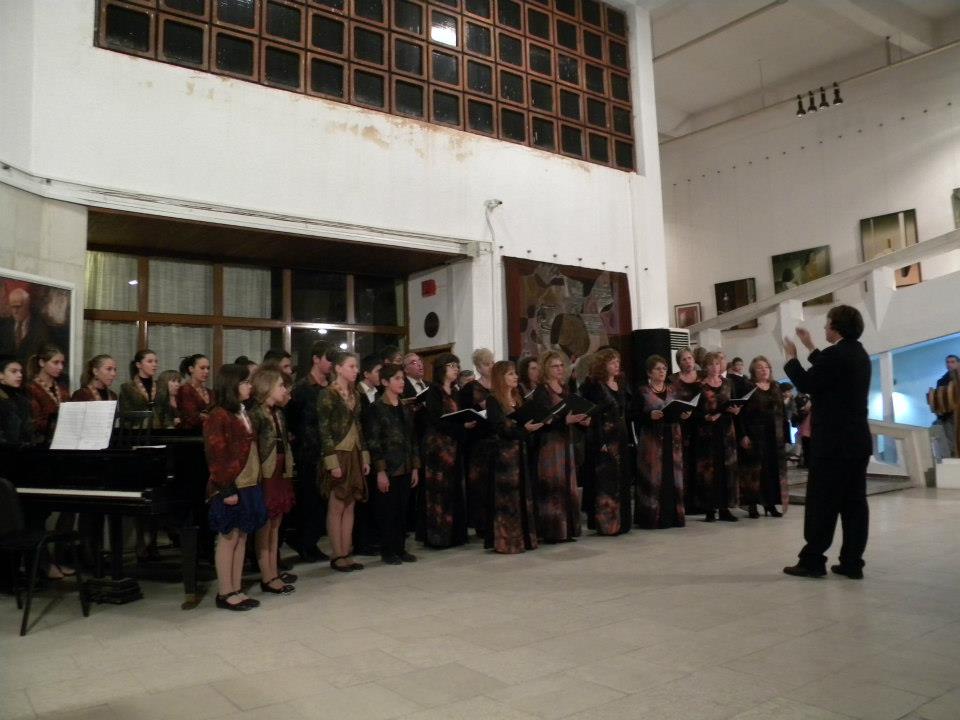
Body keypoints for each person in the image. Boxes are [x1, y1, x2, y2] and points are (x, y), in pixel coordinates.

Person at [782, 305, 872, 579]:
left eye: (827, 323)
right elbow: (829, 371)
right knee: (854, 504)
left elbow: (808, 382)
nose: (824, 328)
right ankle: (852, 562)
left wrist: (792, 357)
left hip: (833, 443)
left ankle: (812, 560)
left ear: (835, 326)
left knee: (822, 503)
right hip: (856, 442)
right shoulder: (859, 353)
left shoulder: (835, 355)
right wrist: (810, 345)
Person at [204, 363, 266, 610]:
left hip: (249, 481)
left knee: (242, 536)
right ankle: (225, 591)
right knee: (228, 537)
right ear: (232, 385)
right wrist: (226, 488)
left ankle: (236, 587)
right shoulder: (218, 415)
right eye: (245, 382)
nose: (249, 386)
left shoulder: (242, 411)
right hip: (231, 482)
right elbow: (216, 454)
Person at [317, 351, 371, 572]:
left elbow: (359, 425)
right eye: (351, 366)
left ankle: (347, 551)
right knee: (337, 504)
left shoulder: (355, 393)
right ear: (338, 368)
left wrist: (364, 455)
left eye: (356, 366)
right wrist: (332, 462)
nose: (356, 370)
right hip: (338, 453)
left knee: (350, 504)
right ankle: (337, 553)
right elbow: (324, 430)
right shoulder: (327, 394)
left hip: (354, 451)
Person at [484, 360, 542, 554]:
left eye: (515, 373)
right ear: (500, 377)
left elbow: (523, 421)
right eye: (510, 373)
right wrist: (524, 430)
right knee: (507, 498)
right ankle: (507, 541)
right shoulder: (493, 400)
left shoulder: (518, 397)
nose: (516, 376)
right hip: (504, 456)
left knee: (523, 494)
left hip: (520, 452)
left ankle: (524, 538)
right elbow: (499, 428)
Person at [364, 363, 420, 565]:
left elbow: (412, 438)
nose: (402, 382)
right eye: (397, 378)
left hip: (405, 465)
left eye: (402, 378)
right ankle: (388, 550)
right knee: (388, 511)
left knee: (402, 509)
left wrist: (415, 466)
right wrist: (380, 471)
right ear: (385, 382)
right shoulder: (376, 408)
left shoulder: (405, 407)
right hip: (388, 467)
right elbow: (374, 442)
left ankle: (400, 548)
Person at [530, 351, 586, 542]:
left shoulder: (564, 388)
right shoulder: (542, 391)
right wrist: (565, 420)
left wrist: (581, 420)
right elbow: (543, 419)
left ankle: (567, 529)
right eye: (555, 366)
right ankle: (553, 530)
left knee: (567, 482)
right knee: (554, 484)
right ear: (546, 368)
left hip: (565, 440)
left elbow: (569, 412)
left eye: (561, 365)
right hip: (549, 443)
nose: (560, 369)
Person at [286, 340, 334, 562]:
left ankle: (311, 542)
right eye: (328, 359)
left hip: (328, 452)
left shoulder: (331, 388)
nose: (331, 363)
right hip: (307, 452)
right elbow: (291, 420)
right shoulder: (302, 388)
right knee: (309, 501)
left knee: (323, 502)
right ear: (315, 359)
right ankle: (305, 543)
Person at [250, 369, 297, 594]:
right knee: (266, 525)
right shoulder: (256, 414)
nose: (284, 390)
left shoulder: (278, 413)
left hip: (280, 470)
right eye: (280, 385)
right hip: (265, 473)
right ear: (267, 387)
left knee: (276, 524)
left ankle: (273, 570)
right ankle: (266, 575)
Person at [419, 352, 468, 548]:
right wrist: (461, 427)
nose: (456, 369)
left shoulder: (456, 391)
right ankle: (438, 535)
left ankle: (455, 534)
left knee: (453, 488)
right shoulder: (434, 391)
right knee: (438, 490)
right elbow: (436, 420)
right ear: (442, 369)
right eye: (452, 366)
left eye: (457, 366)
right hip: (437, 447)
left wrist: (465, 423)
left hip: (453, 445)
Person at [580, 348, 631, 535]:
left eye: (618, 361)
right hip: (603, 436)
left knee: (621, 477)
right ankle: (607, 523)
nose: (617, 365)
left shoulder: (620, 383)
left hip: (620, 435)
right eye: (612, 362)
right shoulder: (594, 386)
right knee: (606, 480)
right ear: (603, 365)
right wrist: (598, 439)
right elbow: (591, 413)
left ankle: (622, 521)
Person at [634, 355, 688, 529]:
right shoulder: (642, 391)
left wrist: (684, 414)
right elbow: (633, 415)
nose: (662, 372)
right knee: (653, 476)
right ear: (649, 372)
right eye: (658, 369)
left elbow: (678, 409)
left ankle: (673, 516)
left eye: (664, 369)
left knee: (672, 475)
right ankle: (652, 517)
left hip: (672, 437)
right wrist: (649, 415)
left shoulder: (673, 390)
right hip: (652, 439)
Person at [737, 356, 787, 519]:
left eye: (766, 367)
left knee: (771, 470)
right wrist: (743, 434)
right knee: (754, 471)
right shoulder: (748, 387)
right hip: (755, 435)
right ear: (753, 371)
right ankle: (752, 504)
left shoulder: (776, 386)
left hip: (774, 435)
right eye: (759, 367)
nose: (764, 370)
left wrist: (785, 435)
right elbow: (740, 414)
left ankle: (770, 504)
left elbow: (782, 412)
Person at [696, 352, 741, 522]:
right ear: (705, 367)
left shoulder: (728, 383)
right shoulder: (700, 386)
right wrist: (705, 417)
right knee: (709, 470)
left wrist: (735, 409)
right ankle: (709, 509)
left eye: (717, 364)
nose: (715, 367)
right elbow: (695, 411)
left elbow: (734, 402)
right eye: (711, 364)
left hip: (726, 430)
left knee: (726, 469)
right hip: (708, 431)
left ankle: (724, 508)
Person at [459, 347, 496, 535]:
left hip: (497, 438)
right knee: (480, 484)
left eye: (492, 363)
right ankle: (481, 524)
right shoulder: (470, 388)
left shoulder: (499, 385)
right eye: (486, 364)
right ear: (478, 367)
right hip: (478, 441)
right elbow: (463, 413)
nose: (490, 367)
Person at [669, 347, 702, 515]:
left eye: (690, 358)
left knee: (700, 461)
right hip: (681, 424)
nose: (688, 362)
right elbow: (669, 401)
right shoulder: (673, 379)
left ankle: (701, 502)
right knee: (684, 463)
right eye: (684, 359)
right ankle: (685, 503)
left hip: (702, 423)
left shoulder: (702, 377)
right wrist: (680, 413)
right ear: (679, 362)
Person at [25, 344, 69, 445]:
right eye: (55, 362)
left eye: (62, 363)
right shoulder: (30, 388)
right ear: (42, 362)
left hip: (63, 440)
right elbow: (35, 420)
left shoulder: (63, 389)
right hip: (41, 442)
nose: (60, 367)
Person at [0, 287, 51, 362]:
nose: (15, 311)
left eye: (18, 307)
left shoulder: (40, 328)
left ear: (27, 305)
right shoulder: (3, 326)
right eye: (12, 307)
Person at [119, 349, 159, 425]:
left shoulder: (160, 385)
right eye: (150, 361)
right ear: (138, 365)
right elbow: (125, 416)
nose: (154, 364)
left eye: (156, 361)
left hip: (158, 429)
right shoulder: (127, 387)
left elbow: (166, 412)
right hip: (137, 429)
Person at [177, 354, 213, 429]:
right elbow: (192, 417)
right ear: (191, 369)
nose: (206, 371)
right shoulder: (184, 390)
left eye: (208, 368)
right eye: (202, 368)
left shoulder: (210, 392)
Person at [934, 354, 959, 458]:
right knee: (952, 442)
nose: (949, 364)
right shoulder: (942, 381)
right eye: (947, 362)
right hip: (949, 415)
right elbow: (938, 400)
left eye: (952, 362)